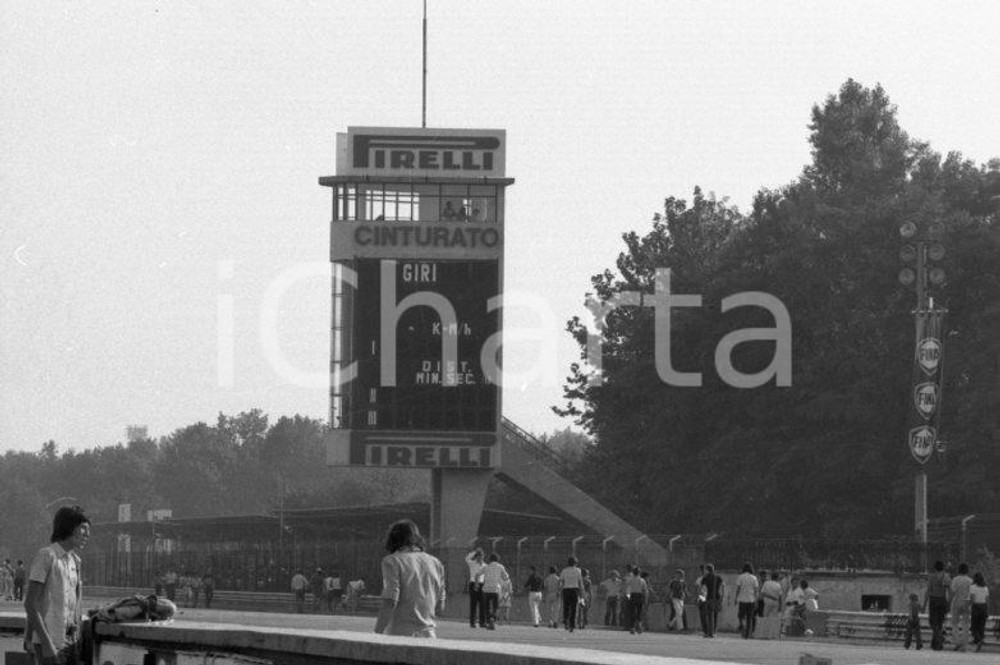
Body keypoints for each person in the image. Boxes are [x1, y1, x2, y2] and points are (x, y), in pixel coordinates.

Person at [23, 505, 90, 665]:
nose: (87, 535)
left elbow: (76, 606)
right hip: (50, 641)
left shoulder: (76, 561)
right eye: (83, 528)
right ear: (70, 527)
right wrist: (46, 645)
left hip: (71, 641)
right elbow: (31, 604)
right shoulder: (47, 556)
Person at [373, 519, 445, 638]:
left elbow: (391, 600)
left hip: (399, 634)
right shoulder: (436, 563)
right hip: (429, 635)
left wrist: (376, 633)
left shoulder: (392, 561)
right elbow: (440, 608)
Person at [924, 559, 950, 650]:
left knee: (932, 622)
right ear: (943, 568)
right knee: (939, 622)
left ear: (935, 568)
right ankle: (936, 645)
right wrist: (949, 602)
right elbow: (948, 591)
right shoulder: (946, 576)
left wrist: (924, 604)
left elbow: (928, 590)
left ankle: (939, 637)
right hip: (942, 600)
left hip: (934, 600)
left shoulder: (932, 577)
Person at [948, 562, 973, 651]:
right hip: (967, 603)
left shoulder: (955, 580)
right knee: (965, 624)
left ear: (959, 570)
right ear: (967, 570)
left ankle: (957, 641)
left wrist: (949, 602)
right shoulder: (970, 581)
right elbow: (972, 594)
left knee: (955, 623)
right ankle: (964, 644)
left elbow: (952, 592)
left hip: (957, 603)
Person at [481, 553, 509, 629]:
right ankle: (493, 618)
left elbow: (478, 574)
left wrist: (477, 583)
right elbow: (506, 577)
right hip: (496, 589)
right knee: (495, 607)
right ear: (498, 560)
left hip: (486, 589)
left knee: (486, 607)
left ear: (490, 559)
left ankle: (488, 620)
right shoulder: (500, 567)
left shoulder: (486, 567)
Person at [558, 556, 584, 632]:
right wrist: (582, 593)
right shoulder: (578, 571)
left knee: (566, 607)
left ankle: (566, 622)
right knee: (574, 608)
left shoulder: (564, 571)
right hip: (575, 590)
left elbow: (560, 581)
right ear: (576, 563)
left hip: (566, 590)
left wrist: (559, 590)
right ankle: (572, 624)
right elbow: (580, 583)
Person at [735, 562, 759, 639]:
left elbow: (738, 589)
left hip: (742, 599)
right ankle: (747, 635)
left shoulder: (740, 577)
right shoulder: (754, 578)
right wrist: (756, 600)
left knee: (740, 615)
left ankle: (741, 624)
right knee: (749, 618)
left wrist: (736, 598)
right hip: (751, 600)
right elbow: (756, 590)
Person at [464, 547, 487, 628]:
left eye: (482, 556)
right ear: (476, 556)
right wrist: (474, 552)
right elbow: (467, 558)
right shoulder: (472, 563)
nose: (480, 557)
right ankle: (472, 622)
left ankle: (482, 622)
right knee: (473, 604)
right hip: (473, 583)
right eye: (479, 556)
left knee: (483, 605)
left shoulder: (485, 565)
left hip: (482, 585)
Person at [700, 563, 723, 638]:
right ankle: (713, 632)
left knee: (708, 615)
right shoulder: (718, 577)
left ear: (707, 569)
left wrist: (702, 597)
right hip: (716, 597)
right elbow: (722, 586)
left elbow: (703, 588)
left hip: (708, 597)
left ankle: (708, 632)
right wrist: (722, 597)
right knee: (715, 615)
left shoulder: (705, 577)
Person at [969, 571, 989, 652]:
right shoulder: (985, 588)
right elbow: (987, 600)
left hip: (976, 606)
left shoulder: (973, 587)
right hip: (984, 606)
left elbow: (972, 599)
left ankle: (978, 639)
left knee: (974, 626)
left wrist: (970, 607)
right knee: (981, 626)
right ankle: (979, 640)